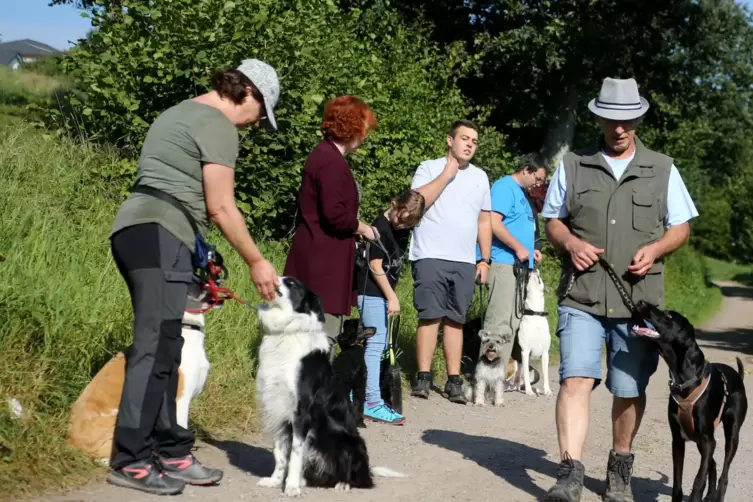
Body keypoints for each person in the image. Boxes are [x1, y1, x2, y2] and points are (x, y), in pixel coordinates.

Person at [107, 59, 282, 495]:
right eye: (260, 115)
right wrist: (257, 260)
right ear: (248, 93)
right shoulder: (218, 124)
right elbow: (221, 206)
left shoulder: (178, 111)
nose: (254, 125)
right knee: (155, 346)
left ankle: (171, 451)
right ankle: (130, 458)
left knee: (167, 345)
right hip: (161, 233)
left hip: (141, 231)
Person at [541, 77, 699, 502]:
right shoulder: (573, 164)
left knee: (629, 388)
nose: (619, 128)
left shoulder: (663, 168)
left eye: (627, 120)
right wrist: (569, 242)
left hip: (639, 305)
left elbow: (681, 226)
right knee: (575, 378)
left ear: (638, 119)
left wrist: (657, 248)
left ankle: (619, 469)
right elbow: (552, 220)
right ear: (598, 118)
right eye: (611, 120)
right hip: (582, 295)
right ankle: (569, 472)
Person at [408, 119, 493, 404]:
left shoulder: (481, 177)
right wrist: (447, 174)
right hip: (430, 253)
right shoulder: (428, 168)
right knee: (430, 315)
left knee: (455, 319)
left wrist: (485, 259)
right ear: (450, 140)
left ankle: (453, 380)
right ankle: (423, 377)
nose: (470, 144)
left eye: (474, 141)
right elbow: (417, 203)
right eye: (465, 138)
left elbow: (484, 220)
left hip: (465, 259)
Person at [283, 95, 379, 343]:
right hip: (322, 266)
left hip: (316, 259)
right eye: (365, 128)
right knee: (318, 341)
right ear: (353, 126)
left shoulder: (325, 156)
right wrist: (363, 228)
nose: (366, 135)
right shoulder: (330, 162)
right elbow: (334, 215)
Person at [356, 189, 426, 425]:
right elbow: (375, 264)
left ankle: (362, 394)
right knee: (375, 346)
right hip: (372, 291)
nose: (401, 227)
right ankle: (372, 403)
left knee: (380, 345)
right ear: (393, 204)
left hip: (382, 294)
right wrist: (391, 296)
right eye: (400, 220)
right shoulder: (380, 227)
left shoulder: (402, 228)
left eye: (408, 225)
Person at [478, 153, 549, 374]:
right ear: (526, 170)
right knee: (498, 324)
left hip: (520, 268)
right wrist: (518, 248)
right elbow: (493, 223)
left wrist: (532, 250)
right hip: (503, 263)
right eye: (538, 178)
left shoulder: (524, 196)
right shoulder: (504, 187)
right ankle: (487, 377)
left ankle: (500, 377)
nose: (539, 184)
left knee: (512, 324)